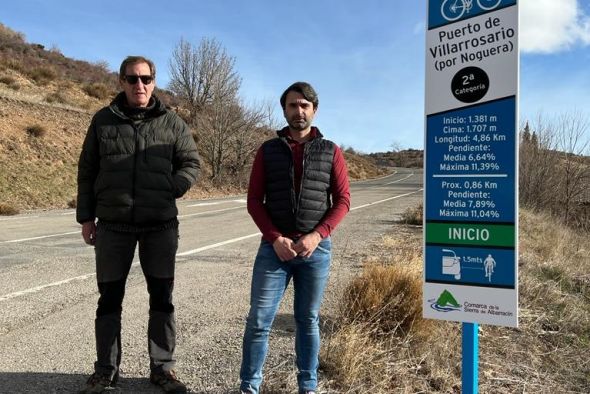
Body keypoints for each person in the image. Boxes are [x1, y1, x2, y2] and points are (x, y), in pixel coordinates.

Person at [76, 55, 200, 394]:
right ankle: (105, 372)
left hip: (159, 226)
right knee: (109, 299)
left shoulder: (172, 123)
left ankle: (162, 369)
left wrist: (171, 188)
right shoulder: (103, 120)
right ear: (121, 82)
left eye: (145, 78)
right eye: (132, 79)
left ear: (154, 81)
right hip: (114, 226)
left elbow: (191, 163)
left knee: (162, 297)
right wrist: (86, 216)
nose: (139, 85)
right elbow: (87, 171)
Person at [239, 82, 350, 394]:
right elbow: (253, 201)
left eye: (304, 105)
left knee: (308, 320)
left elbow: (342, 200)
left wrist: (317, 236)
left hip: (315, 251)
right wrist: (274, 238)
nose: (298, 111)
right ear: (284, 109)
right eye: (292, 105)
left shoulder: (331, 151)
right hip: (274, 249)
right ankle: (249, 386)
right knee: (259, 321)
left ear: (314, 109)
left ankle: (308, 386)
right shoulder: (268, 150)